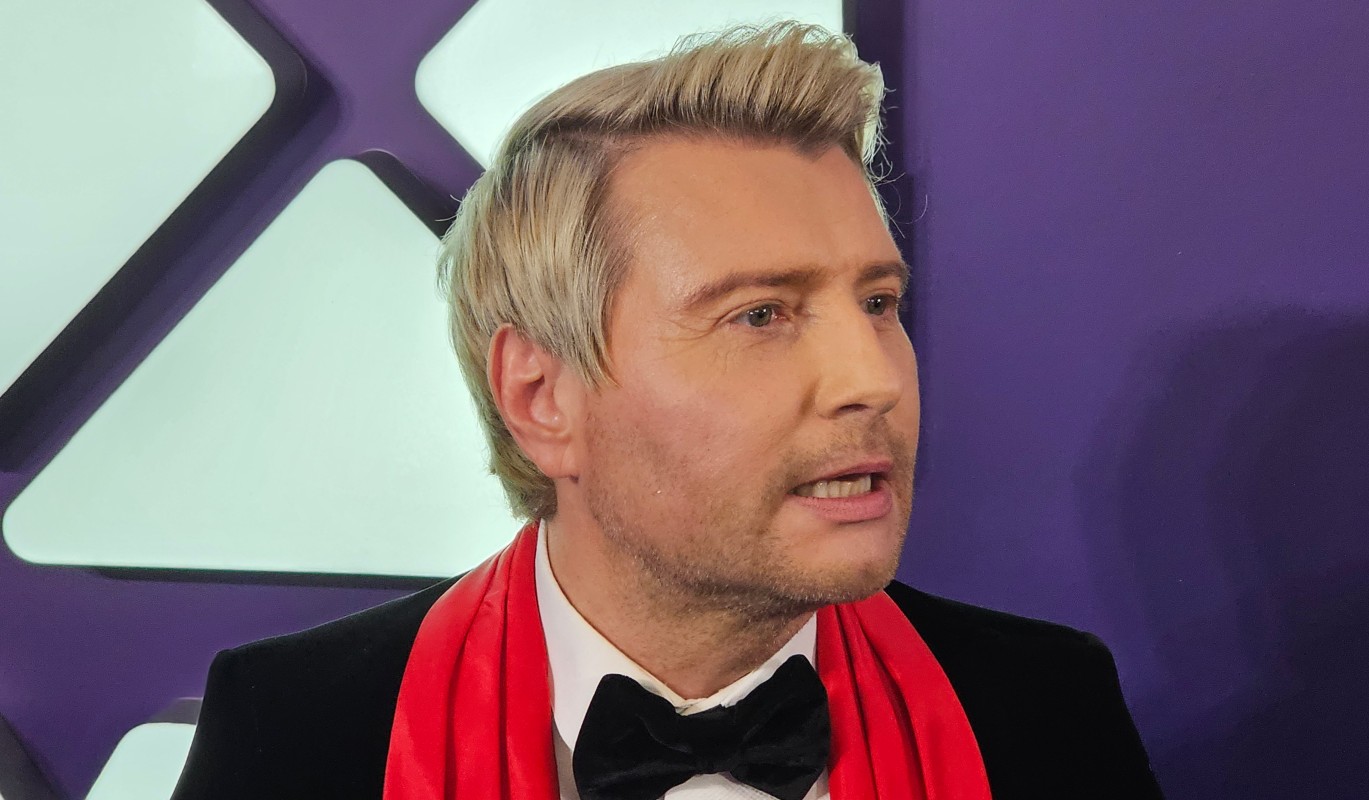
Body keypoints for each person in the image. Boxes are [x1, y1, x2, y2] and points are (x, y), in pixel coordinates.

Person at [172, 22, 1163, 800]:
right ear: (541, 396)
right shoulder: (297, 728)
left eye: (877, 302)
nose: (872, 378)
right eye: (760, 314)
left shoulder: (1040, 706)